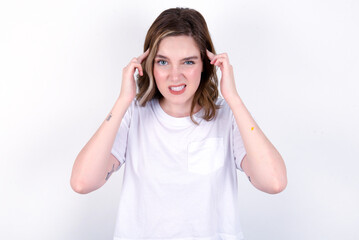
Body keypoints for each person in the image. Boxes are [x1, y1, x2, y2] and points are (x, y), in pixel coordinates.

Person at [70, 7, 287, 240]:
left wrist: (234, 99)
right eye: (163, 62)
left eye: (188, 62)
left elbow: (274, 182)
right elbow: (82, 182)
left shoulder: (228, 117)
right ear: (149, 64)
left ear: (206, 64)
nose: (175, 76)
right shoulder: (133, 115)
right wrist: (123, 100)